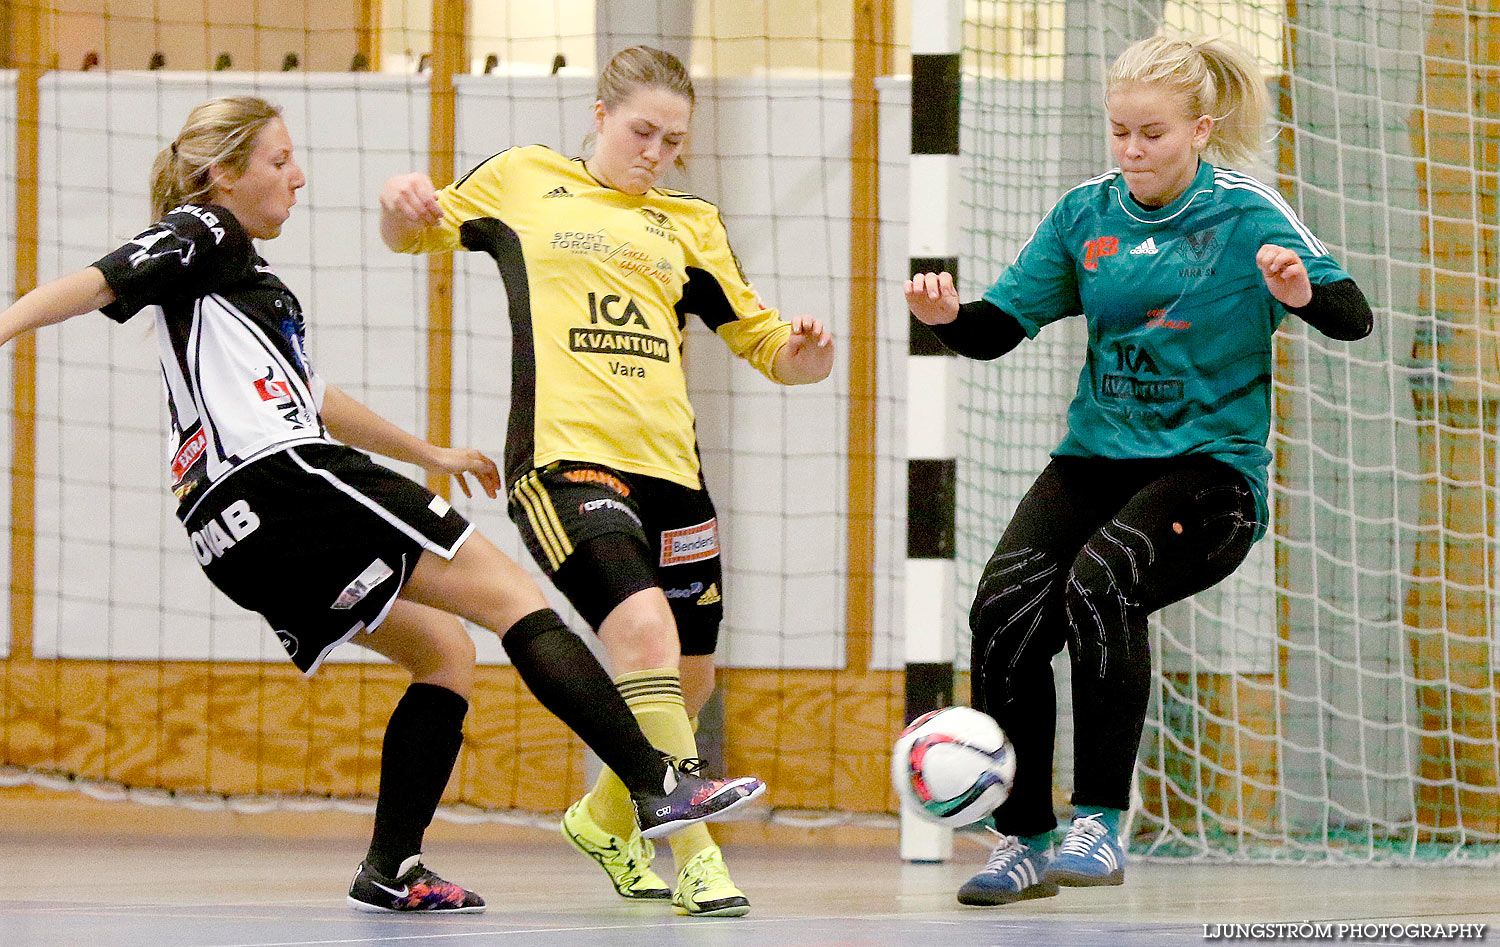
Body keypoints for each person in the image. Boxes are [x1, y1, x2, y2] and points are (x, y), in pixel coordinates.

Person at [0, 95, 766, 916]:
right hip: (286, 480)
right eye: (279, 161)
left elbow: (312, 395)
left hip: (226, 530)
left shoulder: (240, 281)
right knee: (513, 598)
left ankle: (391, 864)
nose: (299, 177)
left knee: (444, 652)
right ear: (222, 174)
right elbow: (99, 279)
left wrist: (428, 455)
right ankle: (656, 785)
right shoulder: (208, 230)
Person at [905, 34, 1372, 906]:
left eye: (1151, 134)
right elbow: (1001, 326)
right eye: (1118, 131)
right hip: (1097, 461)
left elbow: (1355, 317)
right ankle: (1023, 843)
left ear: (1199, 129)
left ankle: (1100, 821)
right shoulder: (1086, 215)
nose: (1131, 151)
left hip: (1211, 475)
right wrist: (948, 316)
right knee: (1002, 610)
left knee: (1100, 581)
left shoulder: (1247, 213)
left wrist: (1301, 293)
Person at [379, 46, 834, 917]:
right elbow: (416, 234)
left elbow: (770, 346)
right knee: (642, 630)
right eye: (642, 132)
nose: (656, 154)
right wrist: (398, 206)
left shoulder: (690, 223)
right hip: (565, 460)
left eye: (673, 141)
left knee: (689, 679)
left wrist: (808, 353)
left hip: (670, 469)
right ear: (599, 114)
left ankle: (601, 817)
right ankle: (696, 853)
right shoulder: (524, 179)